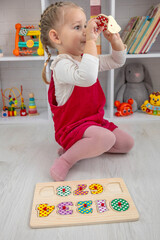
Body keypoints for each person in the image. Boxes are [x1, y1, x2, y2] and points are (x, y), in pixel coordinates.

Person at [40, 2, 134, 181]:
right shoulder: (60, 65)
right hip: (71, 129)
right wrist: (91, 41)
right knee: (106, 139)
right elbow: (87, 77)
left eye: (85, 25)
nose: (85, 31)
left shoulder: (86, 60)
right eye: (77, 27)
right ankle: (67, 159)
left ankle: (83, 147)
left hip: (94, 123)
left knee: (127, 143)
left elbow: (117, 61)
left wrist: (115, 40)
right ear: (56, 37)